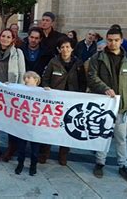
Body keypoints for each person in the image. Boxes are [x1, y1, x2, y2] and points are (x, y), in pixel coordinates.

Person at [87, 28, 127, 183]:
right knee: (102, 135)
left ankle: (123, 165)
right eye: (110, 40)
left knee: (121, 138)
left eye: (116, 40)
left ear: (121, 40)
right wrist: (104, 88)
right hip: (103, 105)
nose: (113, 43)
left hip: (121, 106)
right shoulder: (98, 58)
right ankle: (99, 163)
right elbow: (92, 76)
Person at [40, 37, 87, 165]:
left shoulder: (78, 63)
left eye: (67, 47)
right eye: (62, 47)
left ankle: (63, 154)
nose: (65, 50)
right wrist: (46, 89)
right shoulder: (53, 62)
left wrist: (81, 96)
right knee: (50, 127)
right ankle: (44, 153)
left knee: (67, 128)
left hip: (71, 101)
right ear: (59, 49)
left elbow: (83, 81)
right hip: (55, 100)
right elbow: (45, 78)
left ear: (72, 48)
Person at [0, 28, 26, 162]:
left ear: (13, 40)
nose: (5, 39)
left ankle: (11, 149)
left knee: (11, 121)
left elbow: (22, 73)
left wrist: (20, 91)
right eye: (3, 36)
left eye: (8, 37)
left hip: (11, 92)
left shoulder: (18, 53)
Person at [15, 71, 41, 176]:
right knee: (21, 148)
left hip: (35, 126)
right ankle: (20, 164)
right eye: (25, 77)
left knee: (35, 150)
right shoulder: (21, 90)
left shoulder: (42, 91)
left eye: (29, 77)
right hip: (23, 124)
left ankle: (33, 165)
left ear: (36, 80)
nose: (26, 79)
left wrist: (49, 91)